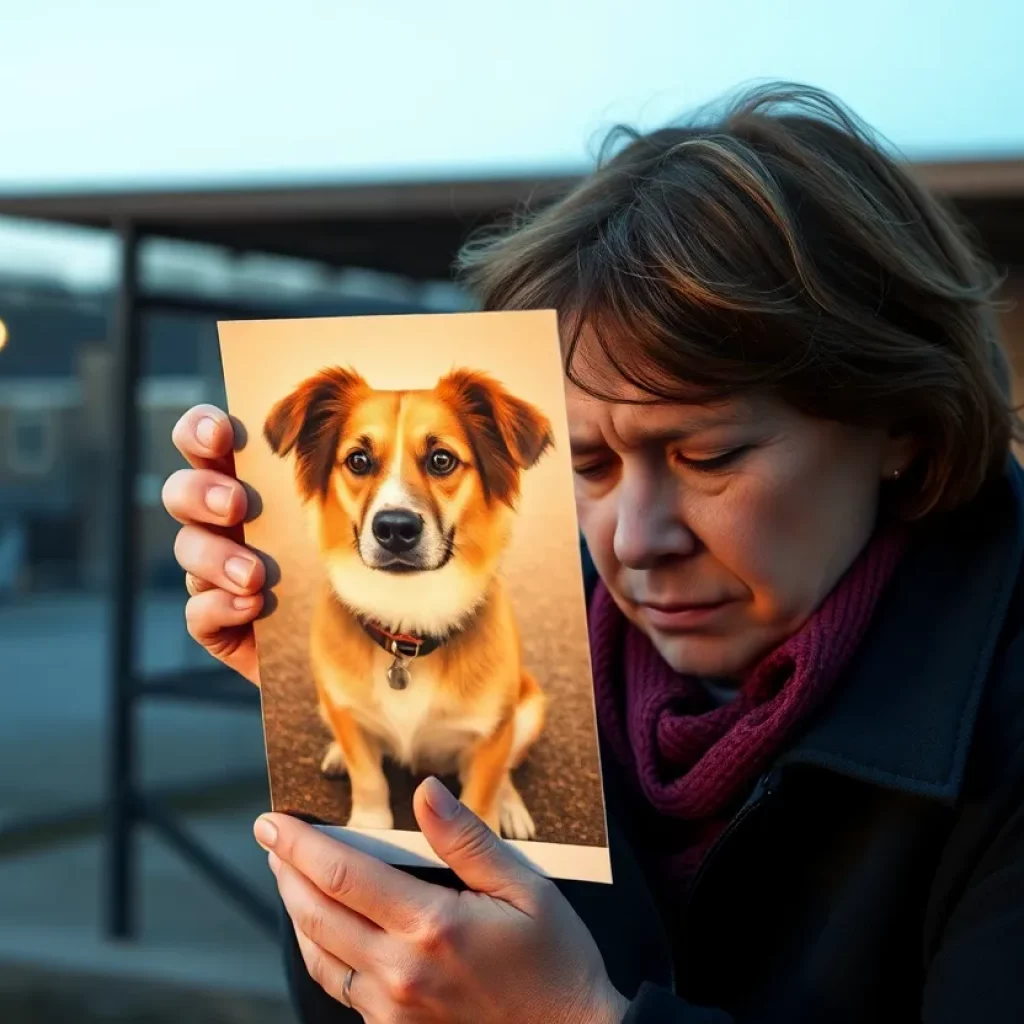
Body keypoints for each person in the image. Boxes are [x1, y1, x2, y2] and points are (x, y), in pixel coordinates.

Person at [161, 82, 1024, 1022]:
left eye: (707, 456)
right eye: (589, 464)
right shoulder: (513, 644)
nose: (634, 539)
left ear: (900, 424)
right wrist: (343, 724)